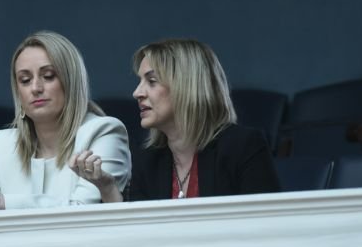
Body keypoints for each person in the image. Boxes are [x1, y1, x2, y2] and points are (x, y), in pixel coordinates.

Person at [0, 30, 131, 211]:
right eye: (25, 80)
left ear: (71, 82)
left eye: (48, 76)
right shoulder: (5, 143)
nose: (35, 88)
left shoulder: (103, 132)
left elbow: (81, 212)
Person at [71, 38, 280, 201]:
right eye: (140, 81)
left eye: (152, 81)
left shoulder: (243, 147)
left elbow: (266, 227)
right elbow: (136, 234)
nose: (137, 93)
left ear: (186, 87)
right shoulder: (147, 161)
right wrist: (107, 187)